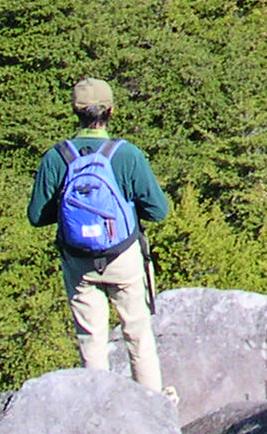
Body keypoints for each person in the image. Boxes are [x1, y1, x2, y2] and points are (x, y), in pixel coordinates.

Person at [27, 77, 172, 395]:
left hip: (79, 262)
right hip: (123, 257)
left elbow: (36, 217)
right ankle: (152, 405)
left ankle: (99, 407)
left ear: (74, 111)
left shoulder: (57, 157)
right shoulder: (127, 155)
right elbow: (159, 211)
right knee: (138, 335)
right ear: (111, 111)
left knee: (91, 341)